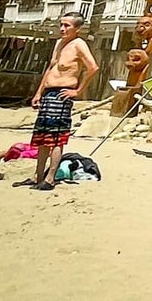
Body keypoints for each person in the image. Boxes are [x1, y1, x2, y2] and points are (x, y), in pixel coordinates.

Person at [19, 11, 97, 192]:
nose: (62, 29)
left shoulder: (79, 44)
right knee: (42, 137)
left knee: (55, 139)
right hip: (48, 93)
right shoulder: (59, 44)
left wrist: (77, 91)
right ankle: (37, 176)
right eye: (61, 25)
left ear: (77, 28)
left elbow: (93, 67)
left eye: (67, 25)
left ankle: (50, 178)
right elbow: (51, 68)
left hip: (62, 95)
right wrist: (39, 92)